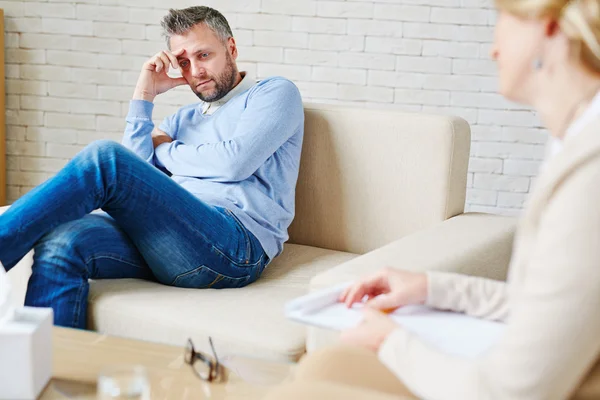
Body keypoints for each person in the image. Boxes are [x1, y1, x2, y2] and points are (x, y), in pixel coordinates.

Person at [265, 0, 600, 399]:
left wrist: (391, 341)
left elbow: (513, 391)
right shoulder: (574, 140)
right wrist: (432, 288)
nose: (493, 48)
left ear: (548, 26)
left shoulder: (589, 175)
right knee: (327, 363)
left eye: (502, 20)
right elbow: (547, 310)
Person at [0, 6, 304, 330]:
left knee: (105, 157)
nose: (196, 71)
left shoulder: (273, 93)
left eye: (204, 55)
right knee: (61, 243)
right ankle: (46, 369)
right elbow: (135, 173)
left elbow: (234, 162)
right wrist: (144, 93)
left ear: (231, 48)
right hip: (175, 242)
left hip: (233, 243)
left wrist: (167, 149)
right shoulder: (182, 119)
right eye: (184, 62)